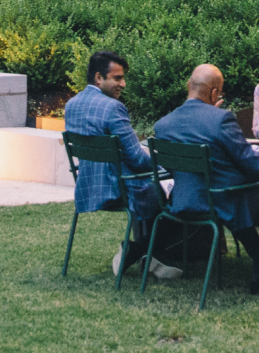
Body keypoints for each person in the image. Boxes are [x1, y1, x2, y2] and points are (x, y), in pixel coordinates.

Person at [153, 64, 259, 292]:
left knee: (242, 198)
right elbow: (255, 167)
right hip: (223, 201)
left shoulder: (163, 125)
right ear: (214, 93)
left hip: (184, 201)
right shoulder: (221, 120)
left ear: (188, 86)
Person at [64, 51, 175, 280]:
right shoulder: (113, 108)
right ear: (98, 78)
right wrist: (165, 166)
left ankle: (147, 253)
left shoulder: (72, 105)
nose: (123, 84)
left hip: (87, 184)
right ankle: (145, 251)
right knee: (175, 190)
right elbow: (137, 159)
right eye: (117, 78)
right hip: (117, 187)